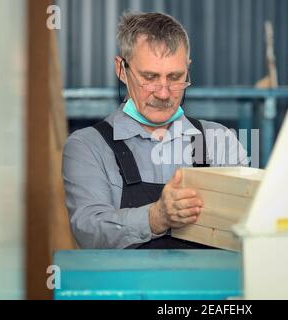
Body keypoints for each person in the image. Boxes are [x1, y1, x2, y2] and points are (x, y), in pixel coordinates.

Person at [62, 11, 248, 249]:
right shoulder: (88, 147)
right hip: (126, 286)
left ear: (187, 69)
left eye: (175, 77)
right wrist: (156, 217)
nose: (163, 93)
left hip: (208, 285)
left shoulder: (220, 142)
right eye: (149, 77)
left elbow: (249, 227)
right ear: (121, 70)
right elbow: (89, 230)